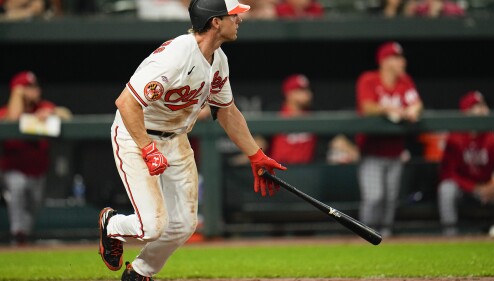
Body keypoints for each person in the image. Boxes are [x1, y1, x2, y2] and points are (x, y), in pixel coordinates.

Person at [98, 1, 286, 280]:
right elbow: (126, 103)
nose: (240, 19)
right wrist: (147, 149)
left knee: (184, 225)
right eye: (233, 15)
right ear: (215, 22)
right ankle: (112, 225)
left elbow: (226, 111)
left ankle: (140, 272)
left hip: (175, 139)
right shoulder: (177, 55)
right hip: (136, 135)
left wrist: (255, 154)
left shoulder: (218, 59)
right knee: (152, 226)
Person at [356, 41, 423, 237]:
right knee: (374, 197)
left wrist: (413, 110)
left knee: (390, 200)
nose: (402, 62)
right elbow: (367, 107)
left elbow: (417, 103)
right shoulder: (369, 79)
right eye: (397, 57)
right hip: (372, 151)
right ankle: (365, 235)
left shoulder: (405, 81)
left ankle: (385, 237)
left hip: (395, 151)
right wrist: (390, 109)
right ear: (385, 61)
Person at [0, 71, 55, 245]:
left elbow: (64, 114)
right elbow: (12, 118)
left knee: (33, 207)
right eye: (28, 87)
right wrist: (18, 95)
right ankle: (18, 236)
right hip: (14, 170)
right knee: (17, 197)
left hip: (38, 171)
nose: (35, 91)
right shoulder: (5, 111)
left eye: (35, 86)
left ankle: (23, 241)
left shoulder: (44, 107)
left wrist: (51, 113)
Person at [438, 91, 494, 237]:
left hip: (486, 187)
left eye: (483, 106)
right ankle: (450, 236)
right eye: (476, 106)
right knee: (446, 189)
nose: (482, 110)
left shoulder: (492, 139)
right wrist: (474, 188)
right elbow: (448, 174)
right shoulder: (455, 138)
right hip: (463, 188)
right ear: (466, 112)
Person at [269, 74, 317, 164]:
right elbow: (260, 141)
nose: (308, 94)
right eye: (301, 90)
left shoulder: (314, 114)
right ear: (289, 93)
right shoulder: (276, 113)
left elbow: (336, 139)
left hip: (307, 169)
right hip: (279, 169)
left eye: (308, 90)